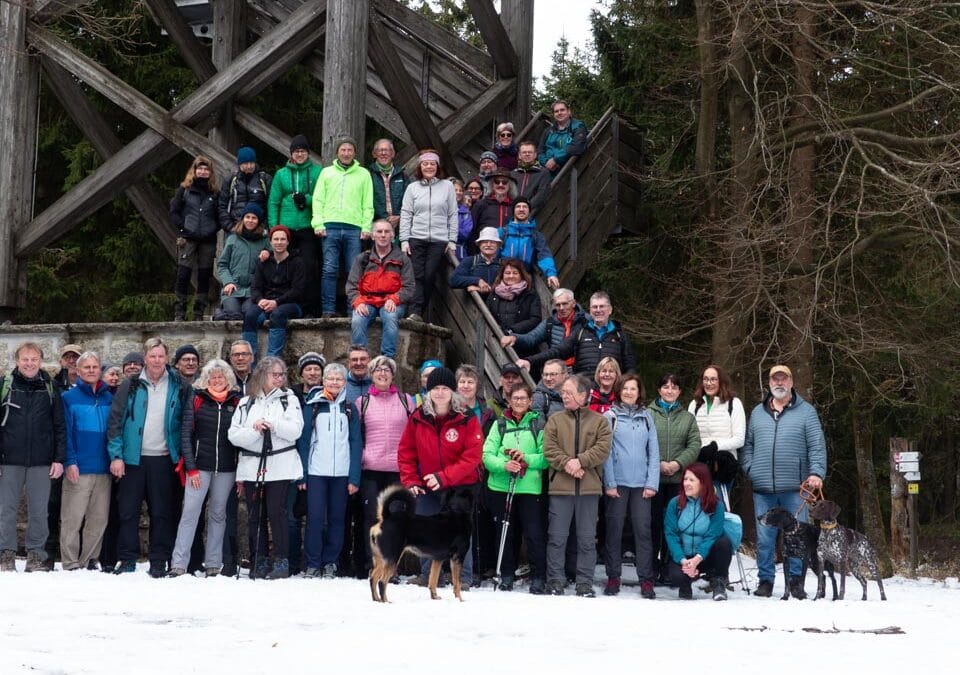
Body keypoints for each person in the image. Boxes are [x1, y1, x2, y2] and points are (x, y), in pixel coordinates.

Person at [742, 364, 826, 599]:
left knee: (797, 538)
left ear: (791, 382)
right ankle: (765, 581)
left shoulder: (807, 412)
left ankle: (796, 582)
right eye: (775, 379)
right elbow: (748, 445)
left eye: (783, 379)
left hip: (795, 490)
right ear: (769, 383)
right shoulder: (757, 412)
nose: (779, 383)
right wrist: (750, 469)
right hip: (763, 489)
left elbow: (817, 446)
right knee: (765, 538)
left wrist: (817, 472)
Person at [107, 337, 189, 577]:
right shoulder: (130, 384)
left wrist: (182, 455)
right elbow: (115, 422)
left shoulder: (178, 384)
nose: (156, 360)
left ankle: (159, 560)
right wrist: (116, 455)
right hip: (133, 459)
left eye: (161, 356)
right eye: (152, 356)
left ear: (167, 358)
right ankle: (127, 559)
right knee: (128, 511)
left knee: (162, 513)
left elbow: (185, 421)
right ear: (145, 358)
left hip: (163, 458)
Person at [397, 366, 483, 586]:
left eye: (445, 388)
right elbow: (406, 451)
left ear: (452, 391)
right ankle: (429, 576)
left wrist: (444, 477)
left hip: (461, 485)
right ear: (429, 390)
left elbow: (472, 456)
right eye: (436, 388)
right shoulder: (418, 416)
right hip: (428, 484)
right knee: (428, 528)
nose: (440, 392)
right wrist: (410, 480)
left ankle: (462, 578)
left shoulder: (466, 416)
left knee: (459, 531)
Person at [228, 356, 304, 579]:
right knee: (255, 515)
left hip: (280, 466)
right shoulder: (247, 402)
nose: (280, 378)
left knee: (276, 513)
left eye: (282, 374)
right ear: (262, 375)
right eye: (275, 375)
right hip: (252, 466)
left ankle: (281, 560)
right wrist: (255, 430)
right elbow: (234, 435)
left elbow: (295, 430)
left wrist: (274, 425)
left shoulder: (289, 399)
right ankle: (259, 559)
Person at [168, 360, 240, 577]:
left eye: (220, 376)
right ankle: (178, 563)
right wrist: (191, 468)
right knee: (190, 513)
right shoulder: (197, 399)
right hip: (199, 468)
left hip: (226, 468)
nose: (217, 380)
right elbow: (186, 435)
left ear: (227, 379)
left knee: (218, 515)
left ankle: (213, 564)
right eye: (212, 377)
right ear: (206, 380)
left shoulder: (237, 401)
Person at [542, 374, 611, 597]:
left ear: (583, 396)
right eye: (563, 392)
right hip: (560, 488)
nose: (564, 396)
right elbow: (549, 449)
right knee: (557, 537)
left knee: (587, 539)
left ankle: (584, 582)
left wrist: (580, 461)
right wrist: (568, 464)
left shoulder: (600, 422)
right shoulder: (555, 420)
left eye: (569, 393)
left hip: (589, 489)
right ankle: (555, 580)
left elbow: (602, 448)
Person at [0, 343, 66, 573]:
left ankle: (36, 555)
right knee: (6, 509)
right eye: (25, 359)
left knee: (39, 511)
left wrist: (59, 459)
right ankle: (5, 554)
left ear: (40, 361)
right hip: (9, 459)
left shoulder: (50, 387)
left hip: (41, 460)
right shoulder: (5, 385)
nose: (29, 364)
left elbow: (59, 426)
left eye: (34, 359)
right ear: (17, 361)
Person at [482, 381, 547, 593]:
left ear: (530, 401)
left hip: (529, 488)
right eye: (515, 398)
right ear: (509, 400)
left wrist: (526, 458)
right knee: (505, 533)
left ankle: (538, 576)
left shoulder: (538, 424)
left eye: (523, 398)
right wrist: (504, 465)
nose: (519, 402)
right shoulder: (500, 424)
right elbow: (487, 455)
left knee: (533, 533)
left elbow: (546, 457)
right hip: (501, 487)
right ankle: (506, 574)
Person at [298, 363, 362, 578]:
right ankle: (313, 562)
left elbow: (356, 442)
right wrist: (303, 474)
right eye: (330, 378)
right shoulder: (313, 405)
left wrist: (354, 477)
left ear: (345, 382)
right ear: (323, 381)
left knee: (337, 519)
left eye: (339, 379)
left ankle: (330, 562)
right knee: (315, 519)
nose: (334, 382)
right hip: (316, 472)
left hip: (341, 473)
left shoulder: (350, 408)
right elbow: (304, 441)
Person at [602, 372, 659, 598]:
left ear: (639, 392)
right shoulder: (610, 416)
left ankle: (646, 579)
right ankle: (613, 577)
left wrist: (652, 483)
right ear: (619, 391)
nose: (628, 392)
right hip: (617, 483)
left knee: (643, 532)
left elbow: (653, 452)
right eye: (625, 388)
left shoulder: (647, 417)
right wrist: (609, 482)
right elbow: (605, 452)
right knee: (614, 530)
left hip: (642, 485)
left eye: (633, 388)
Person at [356, 355, 414, 573]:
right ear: (371, 375)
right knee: (372, 519)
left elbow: (413, 433)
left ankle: (391, 566)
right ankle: (372, 565)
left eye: (387, 370)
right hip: (370, 469)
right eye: (378, 370)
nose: (382, 374)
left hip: (398, 470)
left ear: (393, 375)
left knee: (395, 520)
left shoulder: (406, 400)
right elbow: (356, 435)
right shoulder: (362, 402)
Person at [59, 351, 112, 572]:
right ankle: (70, 561)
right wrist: (70, 461)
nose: (91, 370)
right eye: (87, 367)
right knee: (72, 517)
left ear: (100, 370)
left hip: (104, 467)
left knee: (98, 519)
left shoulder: (109, 397)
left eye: (95, 367)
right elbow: (65, 433)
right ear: (78, 371)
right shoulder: (68, 398)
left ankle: (89, 558)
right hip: (79, 467)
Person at [312, 137, 374, 318]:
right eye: (343, 150)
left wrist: (366, 226)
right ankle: (328, 310)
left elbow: (367, 202)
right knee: (329, 270)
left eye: (349, 150)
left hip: (354, 228)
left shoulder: (363, 174)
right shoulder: (327, 172)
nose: (346, 153)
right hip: (329, 227)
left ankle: (352, 309)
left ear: (355, 153)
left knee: (353, 271)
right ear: (337, 152)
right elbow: (318, 200)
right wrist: (318, 223)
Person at [649, 373, 701, 582]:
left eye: (674, 387)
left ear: (679, 391)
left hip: (679, 482)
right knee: (652, 525)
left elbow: (694, 445)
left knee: (675, 526)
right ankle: (651, 568)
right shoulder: (648, 414)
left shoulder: (688, 418)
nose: (669, 390)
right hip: (653, 481)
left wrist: (677, 464)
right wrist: (659, 463)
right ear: (659, 390)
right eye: (665, 386)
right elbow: (643, 442)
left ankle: (670, 568)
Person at [399, 149, 458, 322]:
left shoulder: (447, 186)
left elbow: (453, 214)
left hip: (439, 239)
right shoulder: (412, 188)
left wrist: (452, 240)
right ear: (420, 167)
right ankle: (415, 312)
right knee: (416, 275)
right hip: (416, 237)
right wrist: (404, 239)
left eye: (433, 164)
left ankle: (419, 310)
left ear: (438, 166)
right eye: (425, 164)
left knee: (430, 274)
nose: (429, 167)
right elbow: (406, 214)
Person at [518, 291, 636, 376]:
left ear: (610, 310)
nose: (598, 310)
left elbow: (630, 366)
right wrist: (530, 360)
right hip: (585, 391)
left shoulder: (620, 335)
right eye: (594, 307)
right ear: (590, 310)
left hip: (611, 392)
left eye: (602, 306)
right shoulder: (581, 332)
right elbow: (558, 351)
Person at [266, 134, 320, 315]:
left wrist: (307, 199)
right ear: (291, 154)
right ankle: (286, 304)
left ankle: (309, 308)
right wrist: (275, 229)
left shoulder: (317, 172)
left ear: (308, 153)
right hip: (286, 229)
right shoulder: (281, 174)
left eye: (303, 151)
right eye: (296, 151)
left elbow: (322, 199)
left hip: (307, 227)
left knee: (308, 267)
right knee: (286, 266)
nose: (300, 154)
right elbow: (273, 203)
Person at [664, 462, 733, 600]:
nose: (686, 483)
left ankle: (718, 582)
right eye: (685, 479)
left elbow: (713, 535)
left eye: (692, 480)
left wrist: (697, 558)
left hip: (705, 556)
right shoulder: (675, 503)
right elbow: (671, 534)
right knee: (676, 577)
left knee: (724, 543)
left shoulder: (716, 505)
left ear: (703, 483)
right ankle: (685, 584)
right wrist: (683, 560)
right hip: (683, 556)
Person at [346, 219, 414, 358]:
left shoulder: (403, 259)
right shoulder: (362, 259)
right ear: (373, 235)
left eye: (387, 232)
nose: (383, 235)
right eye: (379, 231)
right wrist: (358, 302)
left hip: (392, 302)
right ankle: (360, 358)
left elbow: (409, 287)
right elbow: (351, 286)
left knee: (390, 316)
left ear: (392, 236)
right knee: (357, 319)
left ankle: (387, 360)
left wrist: (395, 299)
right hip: (367, 301)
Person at [242, 225, 306, 358]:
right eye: (276, 239)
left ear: (288, 242)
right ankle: (249, 360)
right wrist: (260, 300)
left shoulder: (297, 262)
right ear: (270, 242)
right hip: (266, 304)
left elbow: (298, 290)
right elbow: (255, 287)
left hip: (291, 304)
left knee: (277, 315)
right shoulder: (263, 262)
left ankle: (272, 360)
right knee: (250, 315)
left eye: (283, 239)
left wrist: (277, 302)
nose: (279, 242)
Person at [170, 155, 220, 321]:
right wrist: (183, 228)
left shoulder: (215, 193)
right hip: (188, 238)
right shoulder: (184, 190)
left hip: (208, 240)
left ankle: (199, 312)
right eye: (200, 168)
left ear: (210, 172)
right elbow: (174, 211)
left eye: (206, 169)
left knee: (204, 277)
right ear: (194, 170)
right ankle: (179, 313)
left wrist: (212, 229)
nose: (203, 172)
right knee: (183, 275)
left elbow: (220, 215)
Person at [688, 364, 745, 492]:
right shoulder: (695, 404)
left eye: (713, 379)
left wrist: (715, 446)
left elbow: (739, 439)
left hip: (723, 466)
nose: (709, 383)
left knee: (718, 502)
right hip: (699, 465)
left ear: (721, 381)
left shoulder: (733, 403)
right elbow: (690, 436)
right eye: (706, 379)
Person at [215, 202, 271, 320]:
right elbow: (222, 264)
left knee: (249, 314)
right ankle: (220, 313)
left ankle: (224, 315)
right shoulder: (232, 239)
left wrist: (268, 254)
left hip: (253, 290)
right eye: (247, 217)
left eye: (254, 218)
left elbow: (273, 262)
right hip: (233, 288)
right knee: (234, 315)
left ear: (259, 221)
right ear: (243, 219)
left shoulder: (264, 241)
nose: (250, 220)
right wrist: (228, 282)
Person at [505, 288, 586, 365]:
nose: (561, 308)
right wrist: (515, 338)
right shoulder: (550, 323)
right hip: (557, 367)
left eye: (565, 304)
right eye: (558, 305)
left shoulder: (585, 321)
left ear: (573, 303)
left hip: (580, 368)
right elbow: (531, 338)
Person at [499, 198, 560, 289]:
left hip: (525, 278)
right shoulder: (502, 232)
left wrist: (551, 274)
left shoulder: (536, 236)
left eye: (525, 207)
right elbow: (493, 254)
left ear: (529, 211)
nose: (521, 209)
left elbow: (544, 255)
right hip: (504, 277)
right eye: (518, 206)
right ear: (513, 210)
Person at [486, 258, 542, 350]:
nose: (511, 276)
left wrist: (512, 330)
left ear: (521, 275)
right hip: (496, 343)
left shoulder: (530, 294)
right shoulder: (494, 294)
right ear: (502, 275)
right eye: (507, 273)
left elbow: (535, 319)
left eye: (515, 273)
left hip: (522, 344)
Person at [218, 146, 271, 233]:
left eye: (252, 163)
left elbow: (271, 206)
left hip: (259, 229)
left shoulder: (265, 179)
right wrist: (230, 227)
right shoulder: (230, 180)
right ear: (239, 164)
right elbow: (222, 206)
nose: (249, 166)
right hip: (235, 228)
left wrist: (264, 227)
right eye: (245, 163)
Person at [468, 171, 515, 254]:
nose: (500, 184)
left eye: (504, 182)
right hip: (484, 252)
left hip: (508, 252)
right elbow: (472, 231)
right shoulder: (481, 204)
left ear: (509, 186)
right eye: (497, 182)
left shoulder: (515, 206)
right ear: (492, 185)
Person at [538, 100, 588, 175]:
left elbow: (577, 147)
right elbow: (540, 151)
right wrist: (546, 163)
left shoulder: (578, 127)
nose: (559, 113)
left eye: (562, 110)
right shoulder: (548, 131)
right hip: (547, 171)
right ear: (553, 114)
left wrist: (555, 160)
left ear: (569, 111)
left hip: (569, 171)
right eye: (556, 111)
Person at [369, 138, 409, 231]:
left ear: (393, 153)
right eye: (380, 150)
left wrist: (400, 216)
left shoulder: (403, 176)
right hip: (376, 227)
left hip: (400, 227)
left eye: (386, 150)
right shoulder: (367, 175)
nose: (383, 153)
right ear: (374, 154)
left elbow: (410, 201)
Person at [449, 226, 502, 295]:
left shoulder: (503, 263)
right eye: (485, 242)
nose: (488, 245)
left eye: (492, 242)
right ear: (479, 244)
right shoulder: (470, 261)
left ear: (498, 245)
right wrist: (477, 281)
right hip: (472, 302)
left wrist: (479, 289)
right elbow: (454, 280)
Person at [511, 140, 551, 213]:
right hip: (513, 211)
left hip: (533, 212)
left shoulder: (543, 173)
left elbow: (542, 194)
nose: (527, 154)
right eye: (524, 152)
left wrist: (526, 207)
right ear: (519, 155)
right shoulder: (513, 173)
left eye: (530, 152)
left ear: (535, 155)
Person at [456, 364, 495, 433]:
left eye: (470, 382)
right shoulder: (450, 409)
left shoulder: (488, 411)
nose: (466, 386)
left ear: (477, 385)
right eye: (462, 382)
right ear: (457, 385)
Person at [451, 178, 475, 260]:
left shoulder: (466, 213)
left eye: (460, 190)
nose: (458, 192)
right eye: (455, 190)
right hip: (438, 249)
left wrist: (450, 227)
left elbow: (465, 234)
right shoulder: (439, 208)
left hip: (458, 251)